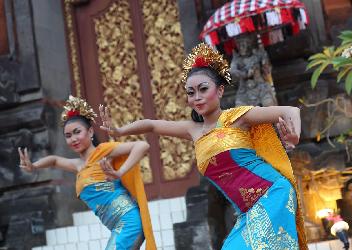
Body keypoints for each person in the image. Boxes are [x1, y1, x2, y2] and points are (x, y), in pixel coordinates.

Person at [99, 43, 307, 249]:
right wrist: (119, 131)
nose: (196, 97)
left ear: (220, 90)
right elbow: (152, 125)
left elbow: (291, 111)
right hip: (247, 211)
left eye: (203, 89)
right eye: (191, 92)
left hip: (272, 193)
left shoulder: (236, 117)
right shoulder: (193, 130)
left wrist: (294, 136)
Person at [18, 96, 156, 250]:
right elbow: (55, 160)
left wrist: (120, 172)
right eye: (68, 136)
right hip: (117, 226)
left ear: (90, 131)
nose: (73, 139)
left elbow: (142, 146)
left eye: (77, 132)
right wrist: (34, 166)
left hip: (129, 221)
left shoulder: (103, 152)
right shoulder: (78, 166)